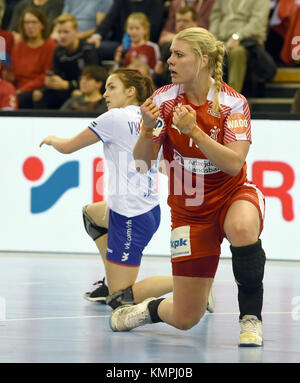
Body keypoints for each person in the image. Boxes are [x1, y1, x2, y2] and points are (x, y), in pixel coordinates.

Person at [109, 27, 266, 348]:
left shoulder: (232, 104)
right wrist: (147, 130)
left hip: (233, 193)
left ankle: (250, 319)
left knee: (242, 225)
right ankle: (148, 311)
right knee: (185, 317)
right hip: (190, 210)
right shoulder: (162, 101)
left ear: (203, 60)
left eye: (179, 54)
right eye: (170, 54)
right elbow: (141, 164)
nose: (170, 60)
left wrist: (194, 131)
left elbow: (234, 163)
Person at [39, 68, 174, 311]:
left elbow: (68, 147)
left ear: (130, 91)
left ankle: (194, 286)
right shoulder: (155, 121)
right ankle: (109, 278)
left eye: (111, 87)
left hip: (130, 216)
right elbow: (163, 165)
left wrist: (51, 140)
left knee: (120, 298)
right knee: (91, 214)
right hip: (149, 210)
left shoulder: (114, 118)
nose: (104, 94)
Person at [33, 13, 99, 109]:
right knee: (38, 95)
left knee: (77, 94)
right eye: (59, 32)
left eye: (66, 32)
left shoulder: (87, 50)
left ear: (76, 32)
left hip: (83, 88)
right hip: (63, 88)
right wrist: (51, 81)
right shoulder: (58, 51)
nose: (62, 36)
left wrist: (68, 85)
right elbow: (56, 74)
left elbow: (93, 78)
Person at [209, 0, 271, 93]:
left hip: (247, 43)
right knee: (206, 51)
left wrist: (237, 37)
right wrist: (215, 40)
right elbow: (215, 20)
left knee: (237, 52)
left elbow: (257, 24)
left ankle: (232, 98)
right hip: (222, 40)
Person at [11, 7, 57, 108]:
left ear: (42, 25)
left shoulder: (50, 46)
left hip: (38, 89)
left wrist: (21, 91)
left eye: (34, 22)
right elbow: (12, 72)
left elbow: (45, 75)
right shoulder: (19, 46)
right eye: (26, 23)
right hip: (16, 89)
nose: (30, 26)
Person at [88, 0, 164, 61]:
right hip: (120, 43)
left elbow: (153, 30)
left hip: (144, 44)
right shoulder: (121, 1)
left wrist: (134, 45)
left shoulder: (155, 3)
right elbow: (109, 20)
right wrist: (97, 36)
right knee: (90, 48)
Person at [154, 6, 198, 88]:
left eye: (186, 21)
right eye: (178, 21)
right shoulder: (168, 46)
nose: (181, 24)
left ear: (195, 23)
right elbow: (157, 76)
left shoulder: (201, 45)